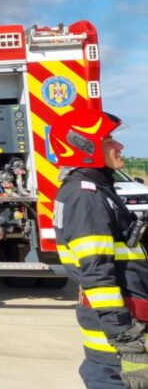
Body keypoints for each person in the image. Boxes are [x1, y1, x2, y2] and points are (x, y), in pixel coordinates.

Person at [52, 109, 148, 388]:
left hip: (128, 327)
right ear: (85, 146)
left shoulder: (95, 191)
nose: (119, 146)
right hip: (120, 342)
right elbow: (97, 274)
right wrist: (126, 339)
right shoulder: (86, 197)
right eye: (109, 140)